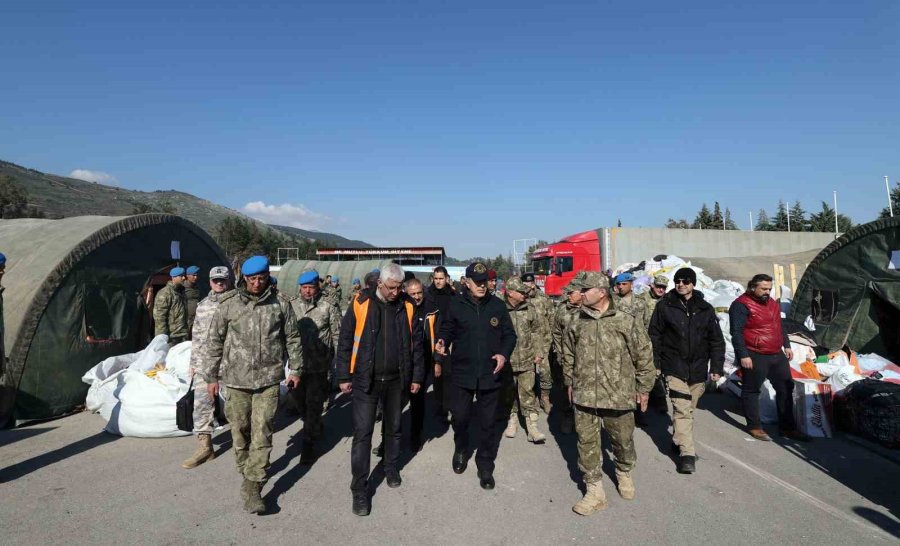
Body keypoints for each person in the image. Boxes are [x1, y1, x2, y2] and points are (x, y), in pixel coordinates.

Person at [202, 256, 304, 515]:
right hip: (236, 381)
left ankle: (253, 485)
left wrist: (296, 369)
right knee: (240, 431)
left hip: (268, 381)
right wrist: (211, 378)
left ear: (268, 276)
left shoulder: (280, 303)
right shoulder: (229, 304)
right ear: (244, 278)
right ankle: (247, 471)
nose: (257, 283)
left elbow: (292, 337)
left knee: (263, 430)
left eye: (261, 278)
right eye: (252, 279)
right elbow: (214, 341)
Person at [561, 272, 655, 515]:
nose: (581, 294)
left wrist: (644, 388)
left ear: (601, 292)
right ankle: (594, 491)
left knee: (622, 441)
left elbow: (644, 355)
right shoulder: (576, 320)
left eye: (586, 290)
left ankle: (624, 471)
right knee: (587, 443)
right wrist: (569, 381)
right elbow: (568, 353)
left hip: (618, 394)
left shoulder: (625, 320)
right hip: (584, 394)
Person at [334, 264, 424, 516]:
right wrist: (343, 375)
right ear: (380, 284)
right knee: (363, 434)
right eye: (392, 288)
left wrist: (417, 376)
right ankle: (359, 489)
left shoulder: (407, 306)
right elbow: (345, 340)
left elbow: (417, 345)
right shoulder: (361, 303)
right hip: (366, 380)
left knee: (394, 429)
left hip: (397, 380)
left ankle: (390, 468)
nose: (396, 292)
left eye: (399, 288)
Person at [435, 262, 517, 491]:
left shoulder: (497, 306)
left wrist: (503, 354)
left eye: (485, 282)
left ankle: (485, 464)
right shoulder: (456, 304)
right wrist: (442, 341)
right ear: (467, 282)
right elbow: (447, 329)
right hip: (462, 373)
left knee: (488, 423)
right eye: (477, 282)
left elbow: (510, 335)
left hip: (490, 374)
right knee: (460, 417)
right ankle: (461, 448)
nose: (482, 286)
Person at [648, 267, 725, 474]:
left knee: (688, 410)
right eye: (678, 281)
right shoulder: (665, 306)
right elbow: (654, 336)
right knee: (682, 409)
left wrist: (716, 367)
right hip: (674, 366)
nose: (681, 284)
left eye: (685, 281)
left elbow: (716, 340)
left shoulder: (705, 309)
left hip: (698, 369)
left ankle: (678, 439)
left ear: (693, 284)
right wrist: (656, 363)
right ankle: (687, 455)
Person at [729, 273, 804, 441]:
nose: (767, 292)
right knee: (751, 390)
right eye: (763, 289)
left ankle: (788, 428)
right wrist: (743, 355)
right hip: (755, 354)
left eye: (769, 289)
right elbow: (736, 332)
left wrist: (787, 345)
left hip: (776, 354)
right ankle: (754, 427)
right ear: (752, 287)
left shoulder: (772, 303)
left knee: (786, 388)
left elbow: (779, 325)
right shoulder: (741, 305)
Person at [182, 266, 232, 469]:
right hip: (206, 365)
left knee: (235, 405)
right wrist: (194, 363)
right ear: (210, 281)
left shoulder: (238, 303)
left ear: (229, 281)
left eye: (222, 280)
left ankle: (243, 443)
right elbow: (197, 336)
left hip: (231, 363)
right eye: (215, 280)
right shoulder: (203, 305)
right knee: (202, 405)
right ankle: (205, 448)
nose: (219, 283)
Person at [290, 270, 342, 464]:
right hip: (297, 366)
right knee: (300, 403)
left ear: (317, 287)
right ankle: (314, 425)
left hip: (320, 366)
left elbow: (337, 334)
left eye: (311, 287)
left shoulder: (328, 305)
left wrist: (340, 363)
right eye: (304, 288)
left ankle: (308, 445)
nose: (307, 291)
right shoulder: (291, 305)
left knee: (313, 404)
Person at [502, 277, 549, 444]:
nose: (524, 294)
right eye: (521, 292)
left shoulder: (530, 308)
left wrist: (539, 352)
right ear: (510, 293)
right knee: (508, 392)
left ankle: (532, 427)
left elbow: (537, 331)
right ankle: (512, 420)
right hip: (507, 360)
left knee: (528, 392)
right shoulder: (500, 309)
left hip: (527, 358)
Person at [405, 277, 440, 451]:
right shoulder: (400, 308)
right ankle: (386, 442)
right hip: (402, 363)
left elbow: (439, 338)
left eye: (419, 293)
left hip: (423, 363)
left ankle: (415, 435)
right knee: (393, 405)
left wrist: (437, 361)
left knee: (417, 402)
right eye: (413, 294)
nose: (417, 297)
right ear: (406, 293)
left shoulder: (432, 309)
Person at [551, 277, 584, 434]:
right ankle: (568, 416)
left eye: (571, 292)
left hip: (587, 358)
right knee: (566, 388)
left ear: (581, 292)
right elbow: (557, 332)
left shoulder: (590, 310)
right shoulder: (563, 309)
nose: (568, 295)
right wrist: (560, 353)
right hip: (567, 357)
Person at [425, 265, 456, 419]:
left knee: (447, 375)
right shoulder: (427, 294)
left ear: (446, 279)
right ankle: (439, 406)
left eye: (441, 278)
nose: (438, 281)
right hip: (432, 338)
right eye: (436, 278)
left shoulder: (453, 295)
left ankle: (447, 406)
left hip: (449, 338)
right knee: (436, 375)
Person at [521, 272, 553, 414]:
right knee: (529, 373)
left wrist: (551, 338)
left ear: (533, 284)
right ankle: (531, 398)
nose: (527, 286)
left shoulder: (543, 299)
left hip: (543, 341)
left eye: (529, 283)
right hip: (527, 343)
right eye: (524, 284)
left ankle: (545, 397)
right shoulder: (521, 299)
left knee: (545, 371)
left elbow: (551, 318)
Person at [153, 267, 189, 344]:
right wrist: (162, 339)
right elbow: (160, 318)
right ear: (173, 277)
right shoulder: (165, 293)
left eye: (184, 275)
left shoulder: (182, 292)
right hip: (171, 338)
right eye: (181, 276)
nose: (184, 278)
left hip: (182, 335)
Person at [183, 265, 202, 334]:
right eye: (193, 275)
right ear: (187, 275)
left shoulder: (197, 286)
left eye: (197, 275)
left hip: (196, 317)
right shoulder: (183, 287)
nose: (195, 277)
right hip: (186, 319)